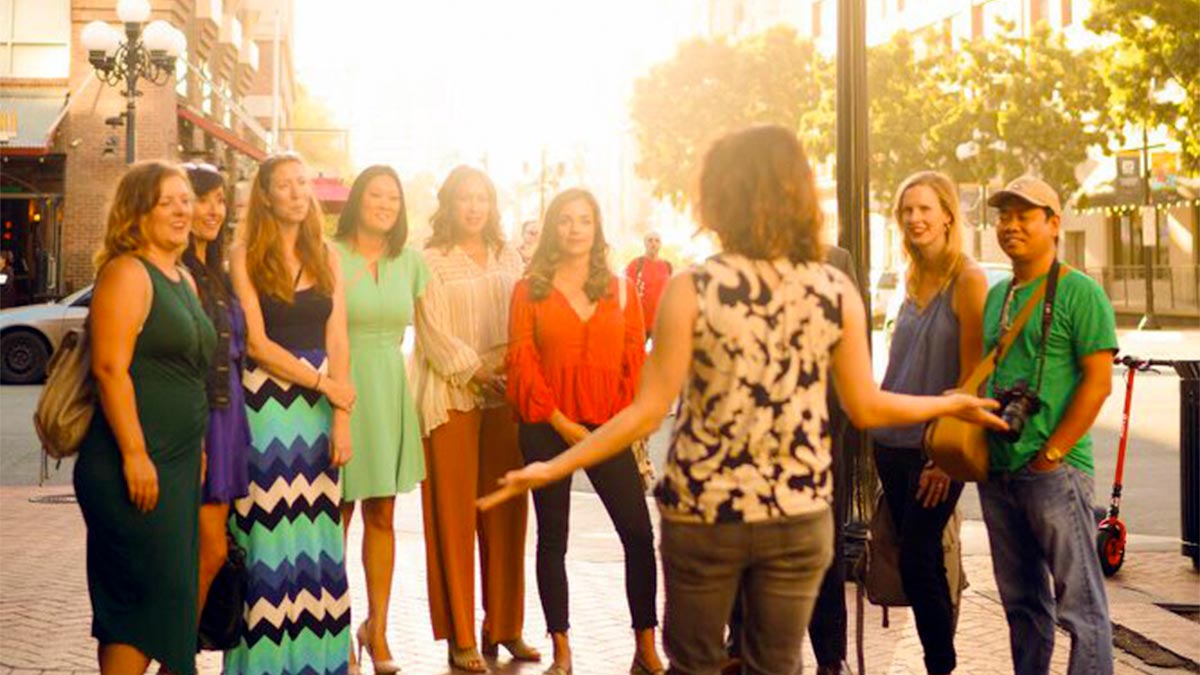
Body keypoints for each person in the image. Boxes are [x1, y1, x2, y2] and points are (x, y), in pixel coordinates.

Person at [483, 125, 1004, 675]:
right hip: (795, 511)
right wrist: (948, 406)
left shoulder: (692, 287)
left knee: (700, 662)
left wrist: (554, 465)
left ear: (720, 198)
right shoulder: (832, 290)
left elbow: (645, 410)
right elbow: (868, 406)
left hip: (707, 514)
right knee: (775, 663)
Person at [507, 188, 665, 675]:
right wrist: (559, 421)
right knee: (553, 538)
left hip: (610, 428)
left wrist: (615, 425)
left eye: (584, 221)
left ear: (597, 230)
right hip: (546, 427)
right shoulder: (529, 288)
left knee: (638, 535)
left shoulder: (620, 289)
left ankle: (645, 647)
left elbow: (633, 360)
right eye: (566, 220)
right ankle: (562, 650)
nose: (575, 229)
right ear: (553, 228)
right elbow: (522, 361)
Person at [74, 160, 216, 675]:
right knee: (135, 605)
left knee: (169, 595)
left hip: (176, 466)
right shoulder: (127, 272)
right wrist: (135, 453)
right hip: (130, 464)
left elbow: (189, 373)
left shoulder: (182, 278)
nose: (184, 209)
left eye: (187, 199)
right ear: (138, 212)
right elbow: (110, 369)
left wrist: (196, 449)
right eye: (168, 201)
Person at [979, 176, 1117, 675]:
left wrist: (1053, 453)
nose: (1011, 225)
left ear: (1054, 224)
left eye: (1024, 215)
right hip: (1000, 472)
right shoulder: (997, 297)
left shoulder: (1080, 292)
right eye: (1003, 216)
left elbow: (1098, 383)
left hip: (1055, 472)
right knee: (1022, 608)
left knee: (1081, 609)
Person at [225, 152, 355, 675]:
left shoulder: (327, 254)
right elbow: (255, 343)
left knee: (319, 541)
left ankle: (319, 662)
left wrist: (340, 413)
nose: (298, 192)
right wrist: (324, 383)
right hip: (266, 410)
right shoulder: (244, 255)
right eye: (286, 185)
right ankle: (263, 664)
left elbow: (338, 336)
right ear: (266, 195)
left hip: (321, 412)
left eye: (304, 182)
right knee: (267, 540)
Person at [412, 165, 538, 672]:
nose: (473, 207)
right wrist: (476, 370)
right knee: (454, 518)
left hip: (506, 395)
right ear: (448, 204)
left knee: (507, 513)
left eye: (482, 198)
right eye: (464, 198)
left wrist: (508, 368)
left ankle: (504, 626)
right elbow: (432, 333)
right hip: (451, 395)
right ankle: (462, 636)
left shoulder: (511, 256)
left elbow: (526, 318)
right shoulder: (430, 260)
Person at [723, 242, 864, 675]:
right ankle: (742, 644)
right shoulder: (737, 260)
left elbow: (852, 352)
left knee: (823, 545)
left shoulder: (835, 260)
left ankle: (828, 655)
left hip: (819, 432)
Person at [869, 171, 988, 675]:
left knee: (920, 557)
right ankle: (937, 657)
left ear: (947, 214)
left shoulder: (968, 277)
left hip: (935, 445)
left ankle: (942, 664)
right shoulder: (910, 276)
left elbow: (974, 375)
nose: (915, 218)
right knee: (917, 560)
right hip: (890, 442)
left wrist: (945, 461)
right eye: (907, 211)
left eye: (925, 209)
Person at [333, 165, 428, 674]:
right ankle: (337, 630)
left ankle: (379, 629)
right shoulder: (329, 254)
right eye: (376, 194)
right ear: (357, 200)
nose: (386, 203)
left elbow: (434, 330)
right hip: (341, 391)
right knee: (338, 520)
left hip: (390, 389)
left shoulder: (410, 262)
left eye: (394, 196)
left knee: (383, 517)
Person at [180, 162, 253, 641]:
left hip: (228, 418)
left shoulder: (217, 273)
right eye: (201, 198)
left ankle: (175, 662)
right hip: (198, 418)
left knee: (212, 553)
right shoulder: (175, 271)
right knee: (203, 554)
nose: (212, 209)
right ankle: (173, 659)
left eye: (219, 200)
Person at [625, 231, 672, 340]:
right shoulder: (636, 264)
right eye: (650, 240)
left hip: (660, 323)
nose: (653, 243)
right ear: (645, 243)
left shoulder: (667, 266)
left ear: (661, 244)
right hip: (640, 322)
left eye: (657, 240)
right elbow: (626, 291)